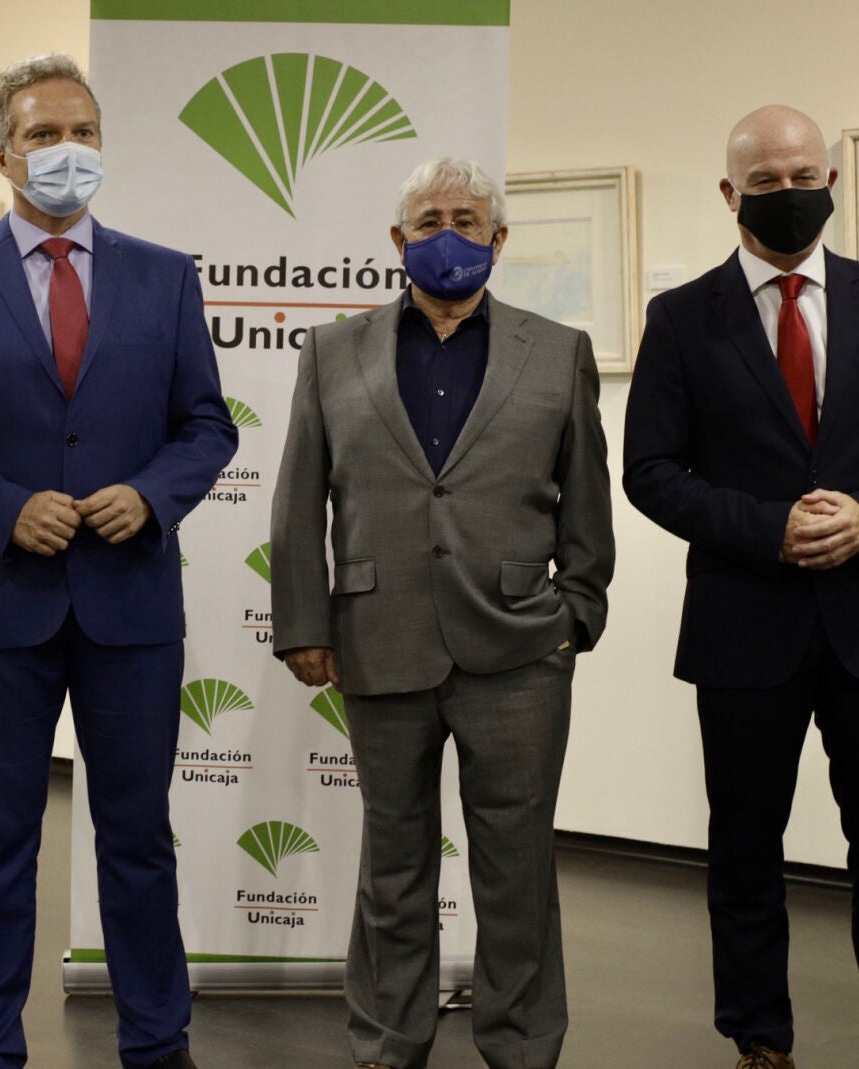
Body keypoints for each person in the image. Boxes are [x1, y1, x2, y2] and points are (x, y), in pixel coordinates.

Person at [0, 52, 237, 1069]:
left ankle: (156, 1040)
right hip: (0, 605)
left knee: (138, 836)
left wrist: (152, 494)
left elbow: (206, 426)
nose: (66, 150)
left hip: (131, 604)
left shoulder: (163, 276)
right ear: (2, 154)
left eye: (82, 132)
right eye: (43, 134)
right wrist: (2, 509)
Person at [622, 105, 859, 1069]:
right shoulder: (680, 318)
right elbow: (649, 471)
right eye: (766, 182)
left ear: (831, 180)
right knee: (745, 849)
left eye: (803, 176)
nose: (789, 194)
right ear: (730, 193)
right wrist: (768, 528)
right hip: (744, 620)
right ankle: (759, 1041)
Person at [269, 157, 614, 1069]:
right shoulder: (332, 352)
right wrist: (303, 623)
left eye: (467, 220)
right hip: (378, 640)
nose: (448, 235)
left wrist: (578, 611)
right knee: (393, 864)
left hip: (522, 648)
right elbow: (299, 497)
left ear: (499, 239)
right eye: (428, 221)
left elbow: (587, 496)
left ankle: (523, 1045)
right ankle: (390, 1043)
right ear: (398, 238)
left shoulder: (559, 350)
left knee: (517, 866)